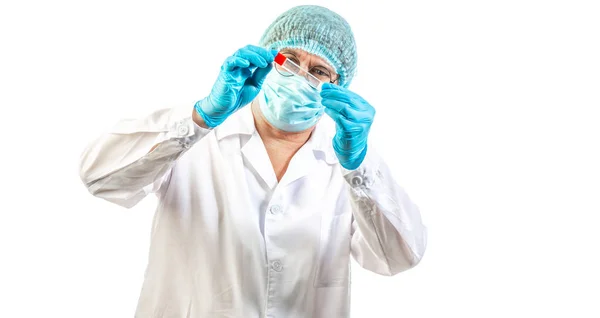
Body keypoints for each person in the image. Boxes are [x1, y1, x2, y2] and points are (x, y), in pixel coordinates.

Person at [79, 5, 427, 318]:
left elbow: (398, 257)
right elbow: (99, 178)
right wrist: (200, 118)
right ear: (265, 59)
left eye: (319, 71)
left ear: (340, 86)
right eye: (287, 58)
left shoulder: (349, 167)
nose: (298, 75)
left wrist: (359, 165)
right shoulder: (196, 140)